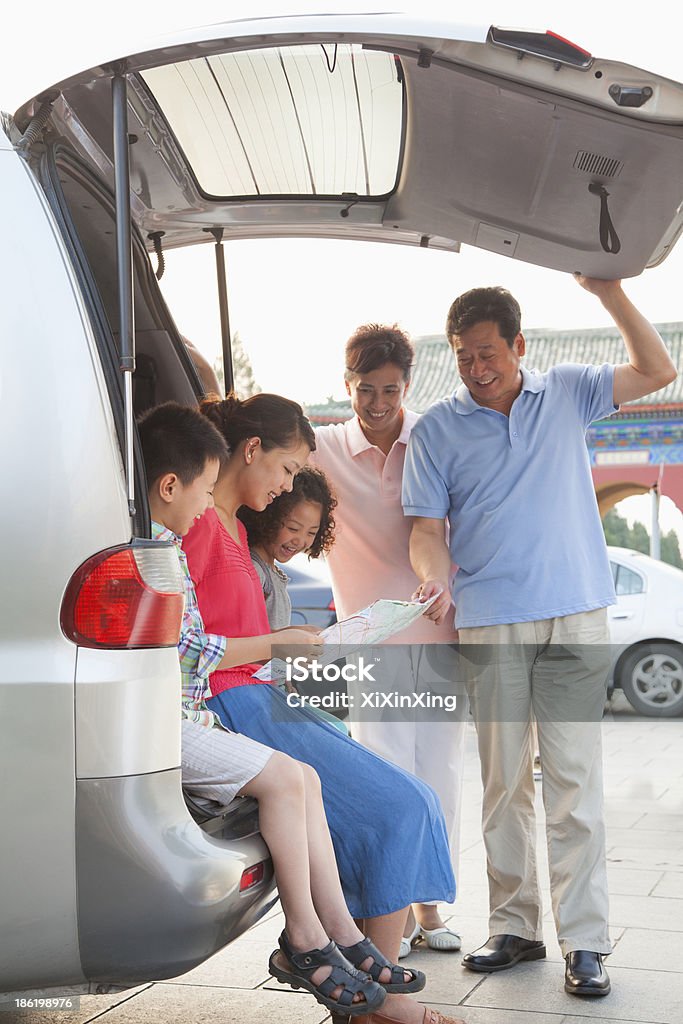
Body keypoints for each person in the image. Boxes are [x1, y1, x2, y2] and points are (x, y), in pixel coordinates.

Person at [402, 275, 677, 998]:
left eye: (487, 352)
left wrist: (608, 292)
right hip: (492, 619)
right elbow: (426, 531)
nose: (475, 367)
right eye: (463, 355)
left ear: (518, 346)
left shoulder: (568, 391)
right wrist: (434, 579)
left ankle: (585, 942)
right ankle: (515, 926)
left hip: (576, 614)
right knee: (501, 785)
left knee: (573, 783)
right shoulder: (435, 429)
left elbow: (658, 370)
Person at [184, 392, 463, 1024]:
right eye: (285, 470)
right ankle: (373, 998)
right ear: (251, 450)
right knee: (398, 806)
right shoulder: (199, 523)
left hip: (261, 695)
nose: (285, 487)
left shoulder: (231, 531)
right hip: (235, 708)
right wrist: (278, 648)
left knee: (405, 802)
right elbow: (191, 650)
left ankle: (360, 980)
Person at [138, 400, 390, 1019]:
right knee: (285, 779)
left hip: (188, 714)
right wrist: (273, 648)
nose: (206, 504)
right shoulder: (156, 549)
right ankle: (306, 937)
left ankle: (340, 933)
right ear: (170, 485)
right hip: (169, 718)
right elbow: (191, 647)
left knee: (302, 778)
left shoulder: (167, 544)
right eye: (201, 488)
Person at [310, 324, 468, 958]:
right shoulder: (321, 451)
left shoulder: (431, 438)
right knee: (388, 778)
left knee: (440, 773)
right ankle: (392, 908)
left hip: (439, 635)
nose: (379, 403)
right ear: (348, 384)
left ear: (409, 384)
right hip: (370, 646)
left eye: (392, 389)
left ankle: (430, 907)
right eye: (366, 389)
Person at [239, 466, 349, 733]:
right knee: (335, 731)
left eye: (311, 532)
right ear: (268, 516)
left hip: (278, 690)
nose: (299, 540)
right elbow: (251, 640)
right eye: (292, 528)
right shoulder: (255, 571)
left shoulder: (274, 572)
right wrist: (293, 637)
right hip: (258, 695)